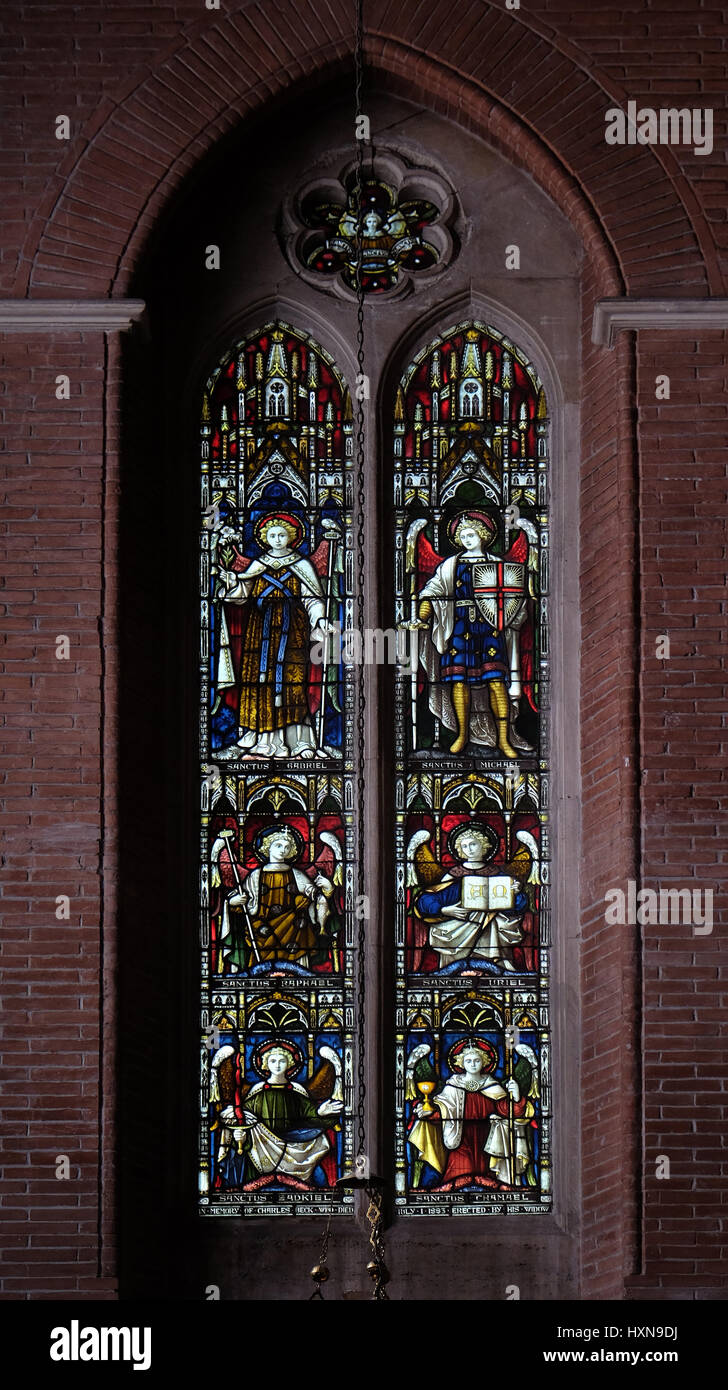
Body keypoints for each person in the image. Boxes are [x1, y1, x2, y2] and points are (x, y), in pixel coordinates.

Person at [216, 513, 333, 758]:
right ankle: (257, 739)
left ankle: (297, 741)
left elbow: (312, 598)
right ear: (264, 538)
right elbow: (242, 595)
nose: (277, 539)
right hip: (259, 633)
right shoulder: (257, 566)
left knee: (292, 683)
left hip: (293, 633)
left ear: (291, 538)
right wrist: (231, 584)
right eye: (272, 535)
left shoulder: (302, 566)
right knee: (258, 682)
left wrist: (320, 619)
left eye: (282, 535)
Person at [417, 511, 529, 756]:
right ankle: (462, 735)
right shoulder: (450, 565)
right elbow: (431, 591)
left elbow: (514, 597)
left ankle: (503, 739)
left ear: (483, 535)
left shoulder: (497, 565)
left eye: (471, 534)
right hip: (459, 627)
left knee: (496, 681)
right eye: (463, 536)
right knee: (459, 681)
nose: (467, 539)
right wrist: (421, 617)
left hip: (489, 628)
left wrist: (510, 617)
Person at [214, 1041, 343, 1189]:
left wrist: (320, 1112)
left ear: (290, 1064)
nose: (277, 1065)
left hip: (295, 1147)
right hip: (260, 1149)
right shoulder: (257, 1092)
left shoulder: (296, 1091)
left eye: (282, 1061)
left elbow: (309, 1117)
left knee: (319, 1171)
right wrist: (241, 1137)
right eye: (272, 1061)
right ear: (265, 1064)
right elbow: (244, 1119)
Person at [410, 1039, 529, 1191]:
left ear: (484, 1062)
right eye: (468, 1060)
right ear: (461, 1063)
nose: (473, 1064)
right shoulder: (452, 1086)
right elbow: (443, 1109)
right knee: (458, 1173)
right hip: (460, 1138)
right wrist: (430, 1112)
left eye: (477, 1060)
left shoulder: (492, 1085)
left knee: (489, 1178)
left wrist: (517, 1097)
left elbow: (507, 1111)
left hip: (487, 1140)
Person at [218, 825, 334, 972]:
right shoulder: (256, 875)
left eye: (287, 847)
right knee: (259, 966)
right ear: (268, 848)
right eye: (278, 845)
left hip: (293, 930)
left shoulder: (296, 874)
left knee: (298, 951)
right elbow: (241, 896)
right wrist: (232, 902)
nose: (283, 850)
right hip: (262, 929)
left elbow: (314, 894)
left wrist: (327, 888)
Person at [413, 824, 527, 972]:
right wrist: (445, 910)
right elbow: (425, 900)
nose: (469, 849)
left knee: (492, 919)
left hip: (491, 932)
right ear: (459, 850)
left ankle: (496, 968)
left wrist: (516, 893)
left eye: (473, 844)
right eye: (464, 846)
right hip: (457, 932)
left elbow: (516, 908)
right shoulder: (454, 875)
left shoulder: (497, 875)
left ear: (484, 845)